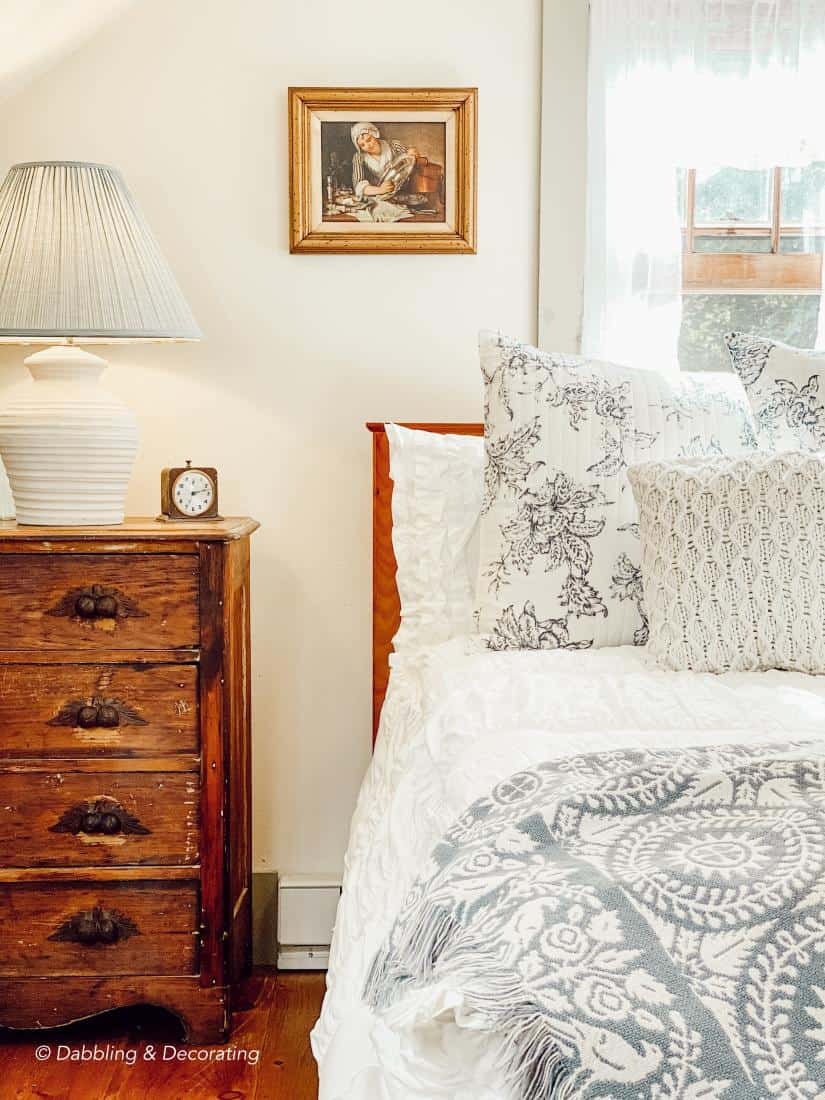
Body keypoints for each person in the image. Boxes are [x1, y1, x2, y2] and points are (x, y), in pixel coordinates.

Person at [350, 122, 418, 201]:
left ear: (374, 134)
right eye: (362, 145)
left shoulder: (394, 146)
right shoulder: (359, 157)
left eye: (369, 140)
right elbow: (358, 185)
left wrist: (412, 153)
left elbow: (410, 163)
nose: (368, 146)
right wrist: (380, 190)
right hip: (377, 197)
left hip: (403, 194)